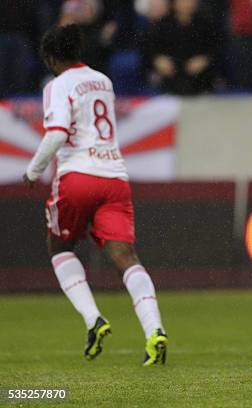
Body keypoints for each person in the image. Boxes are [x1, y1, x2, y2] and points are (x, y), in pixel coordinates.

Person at [23, 24, 168, 366]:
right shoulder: (103, 80)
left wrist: (33, 170)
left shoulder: (57, 85)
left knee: (59, 246)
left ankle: (94, 320)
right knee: (125, 256)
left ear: (51, 58)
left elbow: (57, 134)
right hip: (114, 176)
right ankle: (155, 330)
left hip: (77, 174)